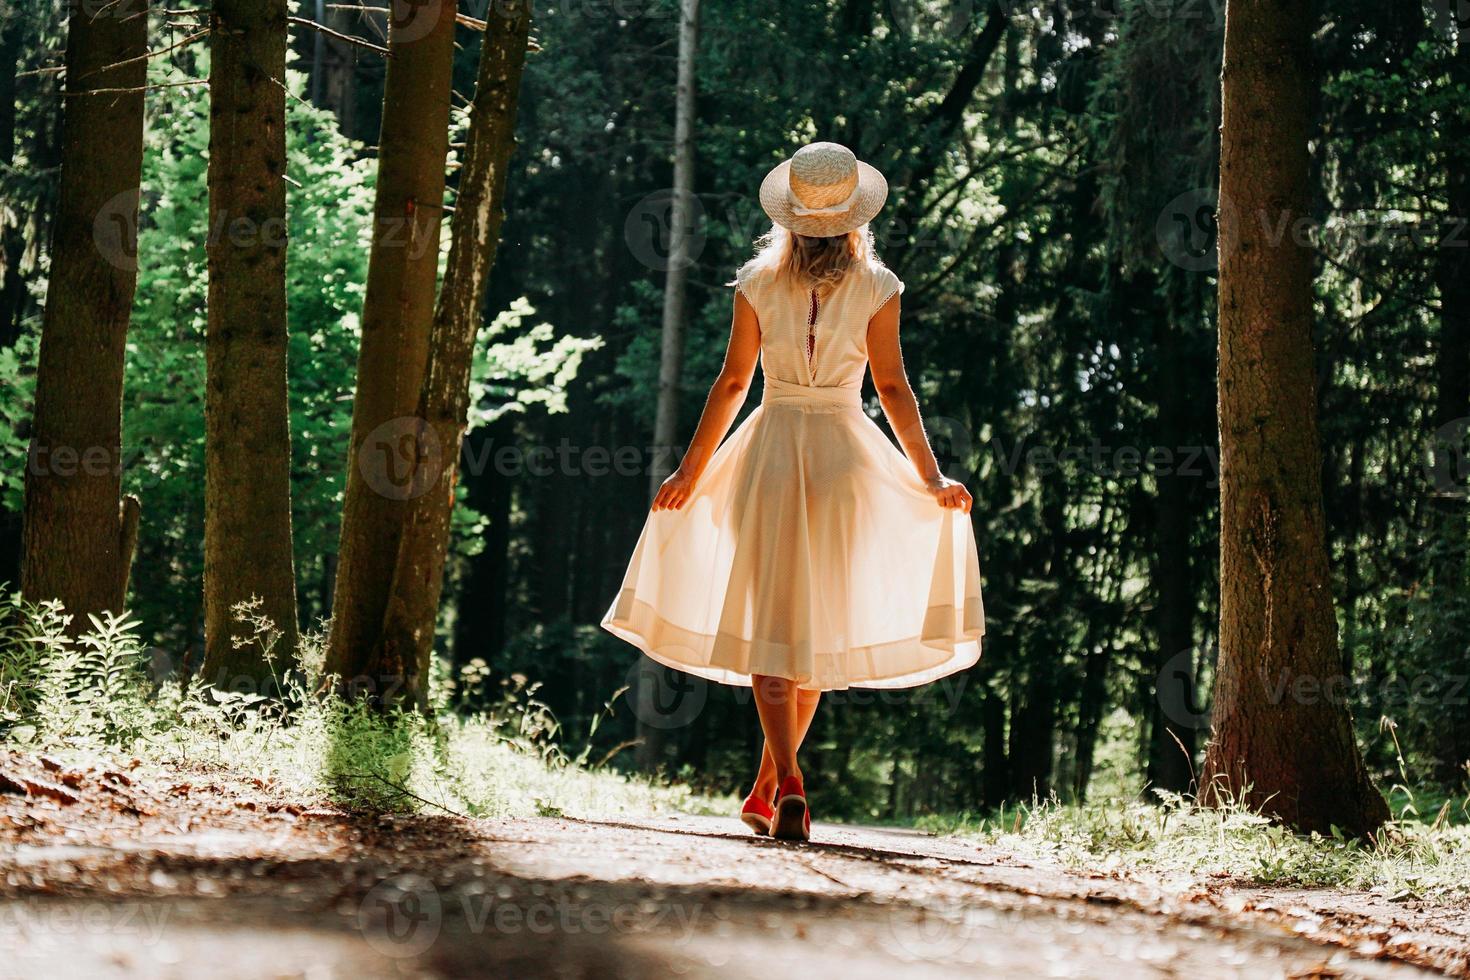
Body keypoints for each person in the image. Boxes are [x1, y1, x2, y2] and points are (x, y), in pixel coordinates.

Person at [601, 141, 985, 841]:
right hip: (845, 459)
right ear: (853, 217)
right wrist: (930, 476)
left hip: (769, 452)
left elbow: (731, 384)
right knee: (812, 632)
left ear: (789, 216)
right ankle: (782, 783)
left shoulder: (756, 281)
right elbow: (893, 388)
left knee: (773, 625)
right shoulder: (880, 286)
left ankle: (778, 784)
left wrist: (690, 471)